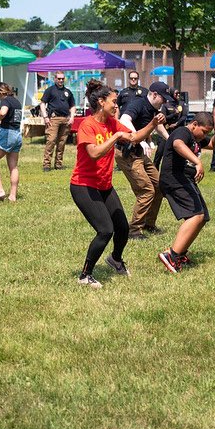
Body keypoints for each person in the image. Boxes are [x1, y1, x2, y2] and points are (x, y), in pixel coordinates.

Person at [71, 80, 164, 288]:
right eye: (114, 102)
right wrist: (115, 137)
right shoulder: (88, 125)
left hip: (104, 185)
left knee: (122, 227)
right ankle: (85, 275)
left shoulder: (112, 123)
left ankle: (115, 259)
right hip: (83, 185)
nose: (117, 106)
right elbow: (94, 153)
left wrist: (152, 125)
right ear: (101, 102)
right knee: (105, 230)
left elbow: (133, 137)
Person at [158, 112, 215, 273]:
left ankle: (179, 253)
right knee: (196, 215)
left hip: (185, 179)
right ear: (194, 124)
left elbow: (214, 145)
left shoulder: (196, 138)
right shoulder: (183, 132)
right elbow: (177, 145)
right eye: (204, 131)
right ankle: (171, 255)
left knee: (202, 217)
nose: (205, 136)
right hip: (174, 179)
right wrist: (197, 162)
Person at [115, 81, 171, 239]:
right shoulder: (138, 103)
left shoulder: (154, 109)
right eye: (163, 98)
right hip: (128, 155)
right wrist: (139, 140)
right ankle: (134, 231)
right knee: (147, 190)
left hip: (139, 154)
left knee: (160, 186)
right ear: (154, 95)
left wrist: (170, 139)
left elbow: (156, 126)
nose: (165, 102)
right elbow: (124, 120)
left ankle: (149, 224)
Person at [0, 82, 22, 202]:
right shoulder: (16, 101)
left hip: (7, 134)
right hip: (17, 134)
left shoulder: (5, 100)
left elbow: (3, 112)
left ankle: (0, 190)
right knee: (13, 167)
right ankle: (12, 196)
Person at [40, 72, 75, 172]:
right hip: (53, 119)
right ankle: (47, 164)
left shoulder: (68, 91)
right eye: (59, 79)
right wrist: (45, 117)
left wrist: (72, 117)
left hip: (66, 119)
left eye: (62, 79)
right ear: (55, 79)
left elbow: (72, 106)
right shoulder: (50, 90)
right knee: (51, 141)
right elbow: (42, 103)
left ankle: (58, 164)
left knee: (62, 142)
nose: (61, 80)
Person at [152, 87, 189, 169]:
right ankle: (155, 167)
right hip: (166, 131)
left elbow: (184, 116)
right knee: (160, 151)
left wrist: (176, 124)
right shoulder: (166, 105)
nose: (178, 95)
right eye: (176, 93)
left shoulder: (182, 104)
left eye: (179, 93)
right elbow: (163, 118)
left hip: (178, 131)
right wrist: (173, 114)